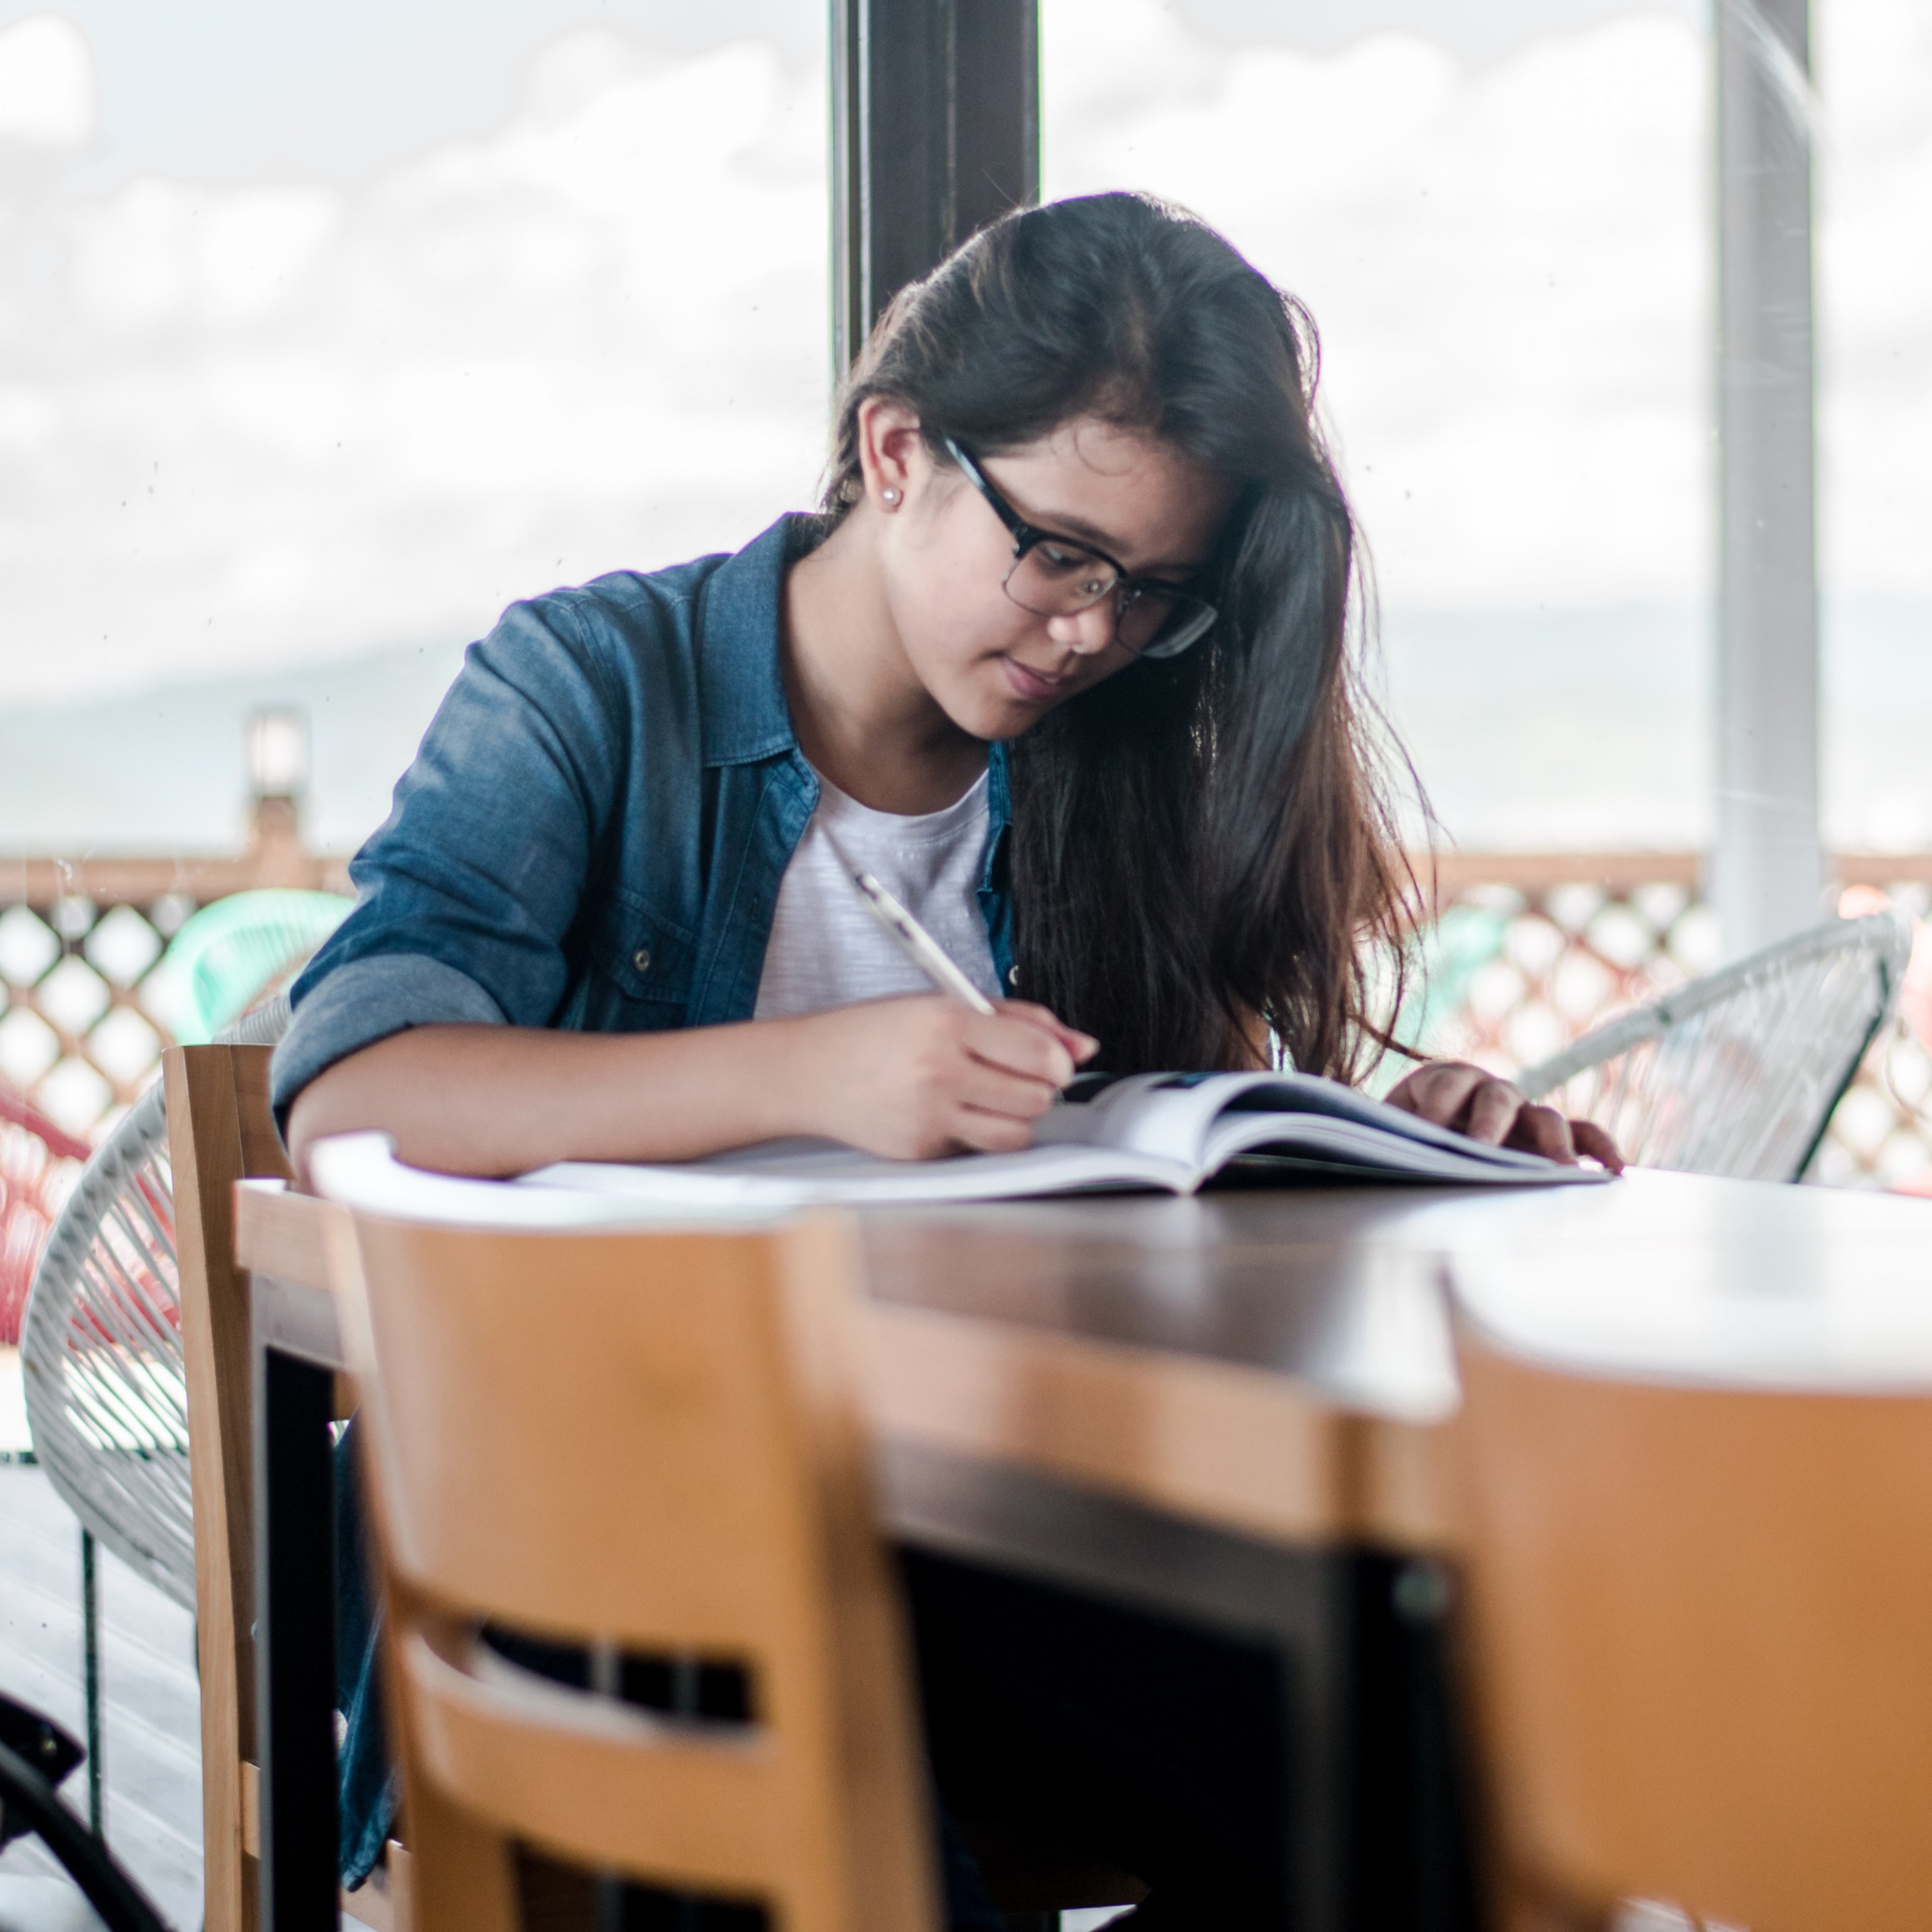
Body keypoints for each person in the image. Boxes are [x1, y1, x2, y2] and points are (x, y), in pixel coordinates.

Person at [279, 191, 1617, 1927]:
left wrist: (1375, 1135)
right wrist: (812, 1077)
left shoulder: (1108, 765)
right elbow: (353, 1096)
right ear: (896, 448)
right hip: (607, 1516)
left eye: (1153, 593)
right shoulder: (593, 685)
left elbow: (1152, 1161)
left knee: (1434, 1747)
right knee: (775, 1730)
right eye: (1057, 550)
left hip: (993, 1526)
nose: (1090, 633)